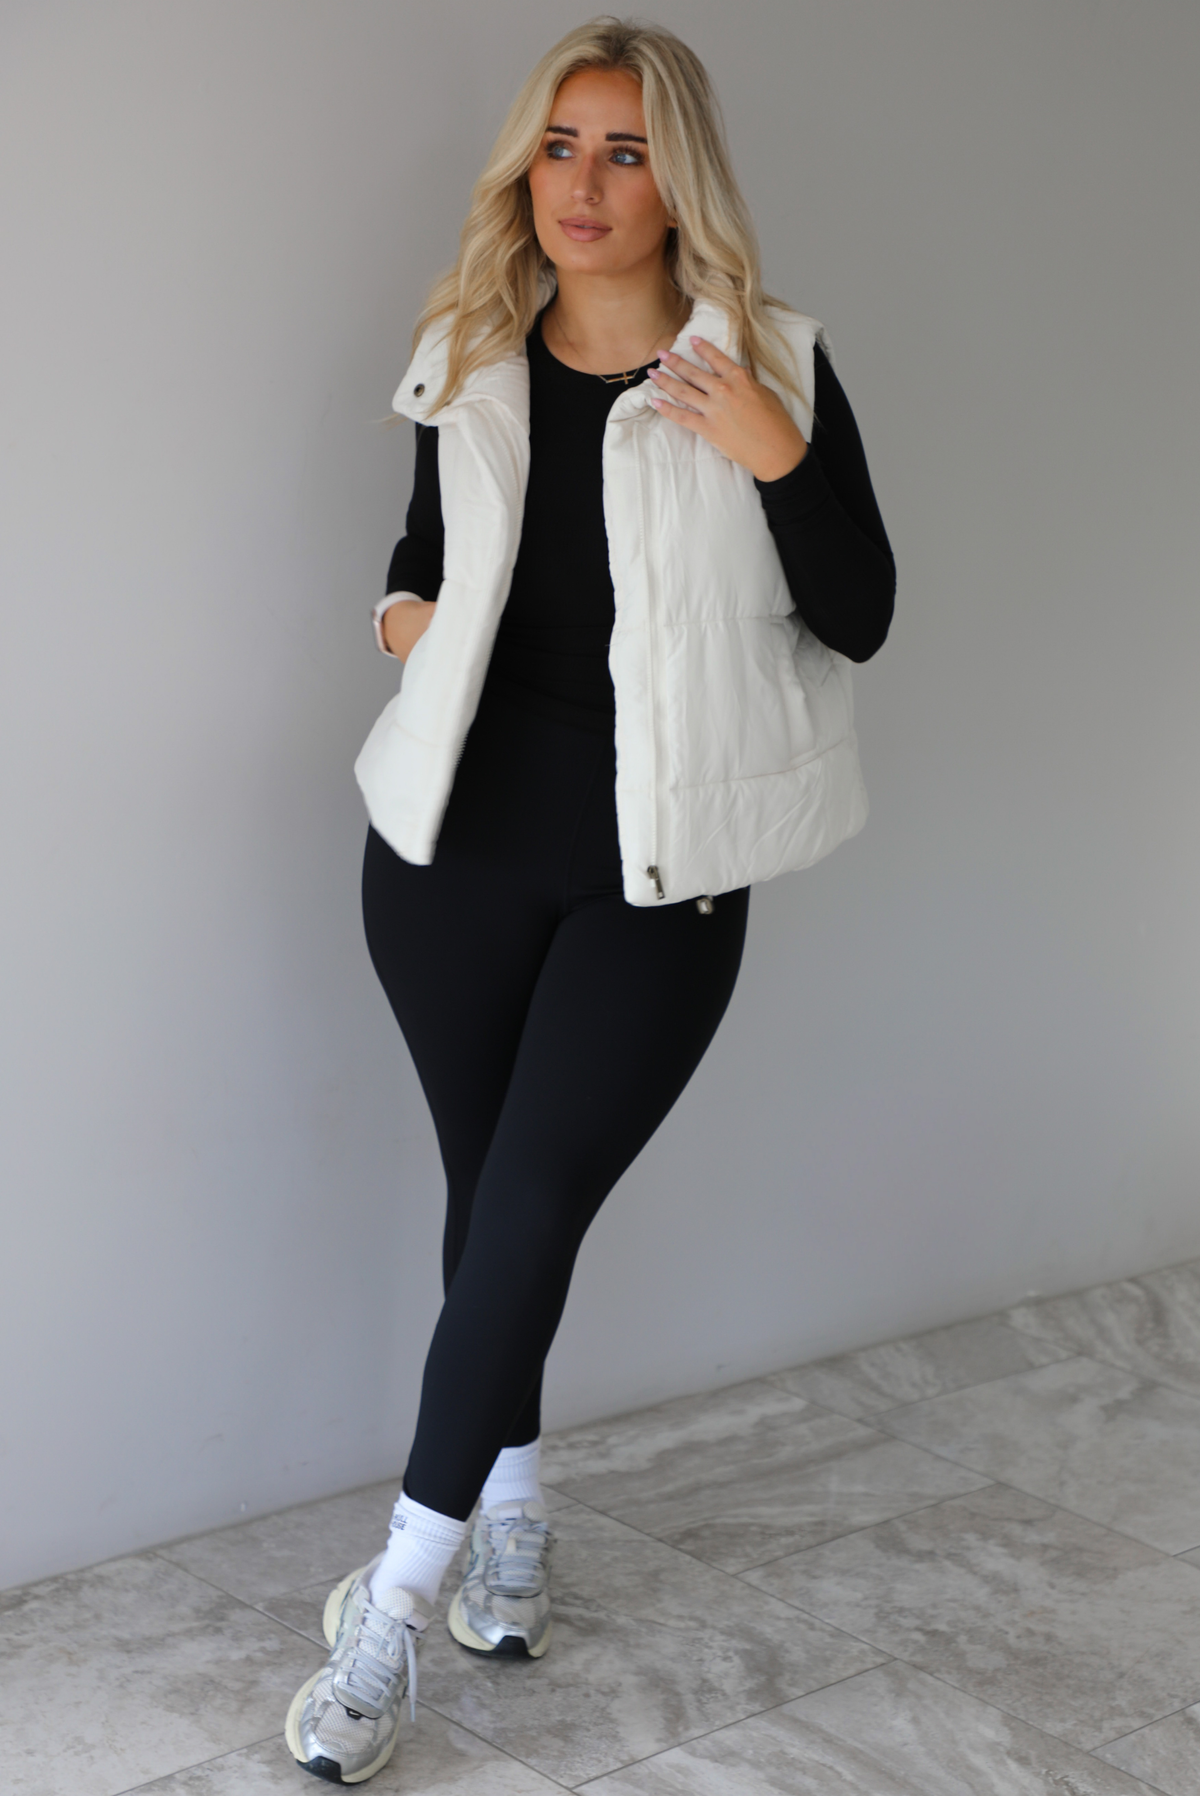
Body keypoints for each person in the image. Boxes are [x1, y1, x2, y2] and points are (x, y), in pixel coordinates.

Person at [286, 14, 894, 1785]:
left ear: (678, 176)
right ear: (525, 167)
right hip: (448, 859)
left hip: (662, 874)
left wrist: (772, 448)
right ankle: (519, 1502)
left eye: (624, 151)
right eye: (561, 145)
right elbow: (422, 561)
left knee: (535, 1197)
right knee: (498, 1207)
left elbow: (858, 611)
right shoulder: (464, 347)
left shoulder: (768, 358)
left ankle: (392, 1606)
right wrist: (399, 619)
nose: (584, 183)